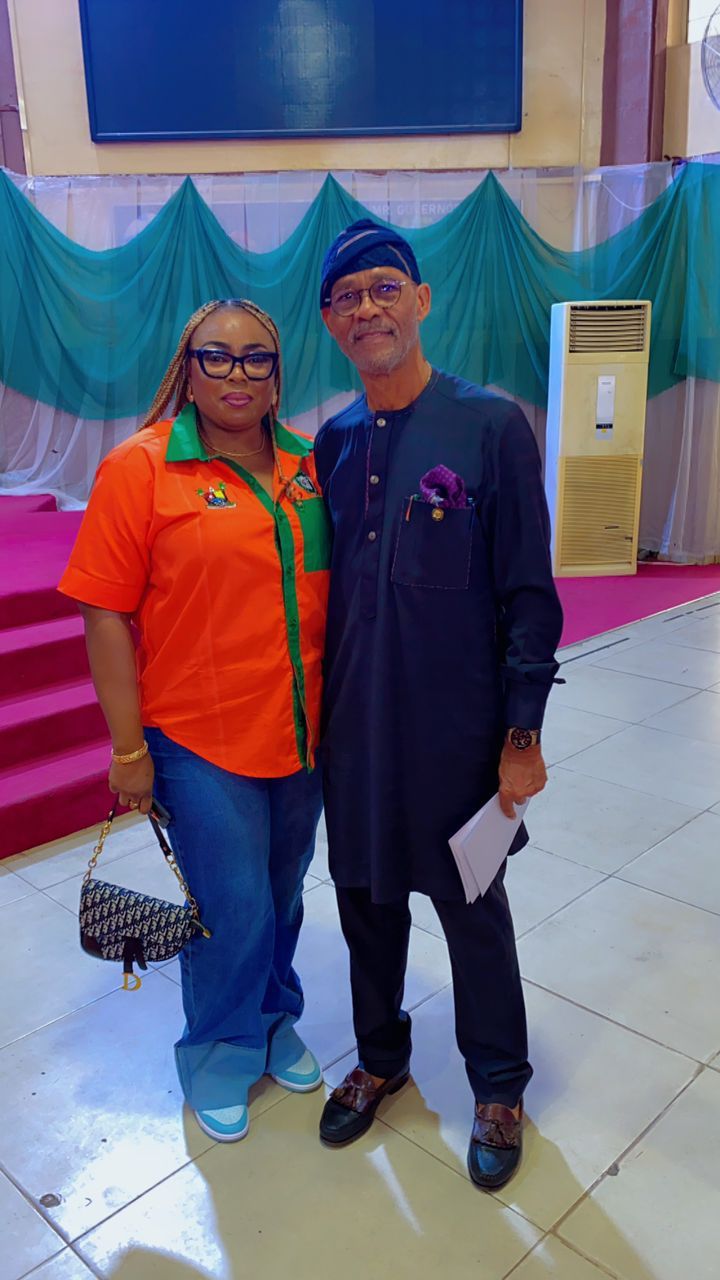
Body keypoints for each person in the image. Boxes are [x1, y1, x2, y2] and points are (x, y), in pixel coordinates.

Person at [313, 221, 563, 1189]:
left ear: (420, 301)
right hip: (356, 731)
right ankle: (381, 1056)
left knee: (472, 908)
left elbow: (529, 594)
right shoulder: (334, 442)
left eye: (385, 287)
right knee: (365, 902)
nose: (368, 308)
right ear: (331, 322)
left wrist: (521, 733)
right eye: (347, 297)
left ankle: (498, 1085)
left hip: (459, 733)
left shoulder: (490, 425)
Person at [59, 298, 330, 1143]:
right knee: (231, 904)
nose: (237, 373)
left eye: (256, 358)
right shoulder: (141, 467)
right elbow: (104, 613)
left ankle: (274, 1017)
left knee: (283, 892)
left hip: (304, 733)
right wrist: (127, 748)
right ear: (189, 366)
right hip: (199, 736)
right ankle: (218, 1049)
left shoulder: (308, 464)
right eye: (217, 356)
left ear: (278, 374)